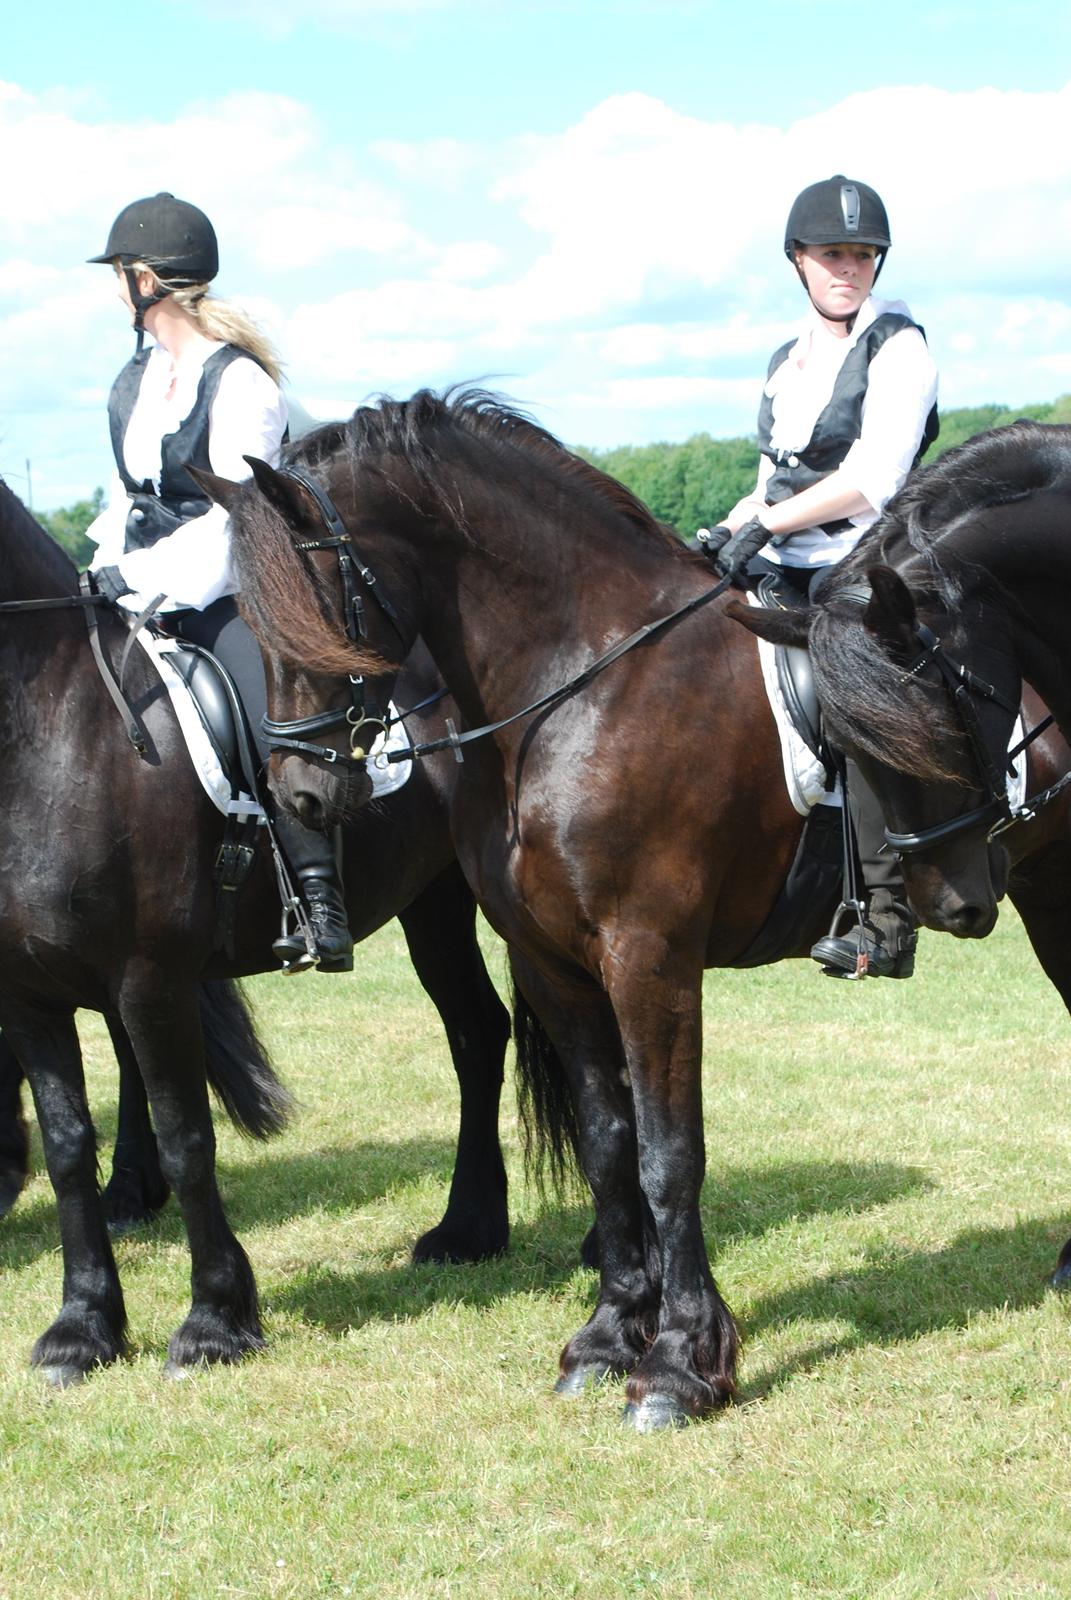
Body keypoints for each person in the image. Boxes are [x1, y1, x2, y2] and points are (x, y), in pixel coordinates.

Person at [85, 191, 353, 972]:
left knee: (274, 713)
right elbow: (126, 498)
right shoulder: (133, 382)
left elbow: (232, 523)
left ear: (146, 280)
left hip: (225, 588)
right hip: (133, 581)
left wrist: (136, 578)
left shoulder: (243, 386)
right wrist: (98, 569)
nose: (116, 290)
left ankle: (316, 898)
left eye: (120, 274)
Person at [706, 175, 939, 979]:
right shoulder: (786, 361)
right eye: (832, 253)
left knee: (855, 691)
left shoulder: (899, 346)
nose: (849, 268)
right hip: (784, 559)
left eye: (862, 254)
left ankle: (886, 918)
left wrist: (767, 525)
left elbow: (872, 477)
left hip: (871, 565)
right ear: (797, 260)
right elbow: (774, 473)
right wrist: (732, 526)